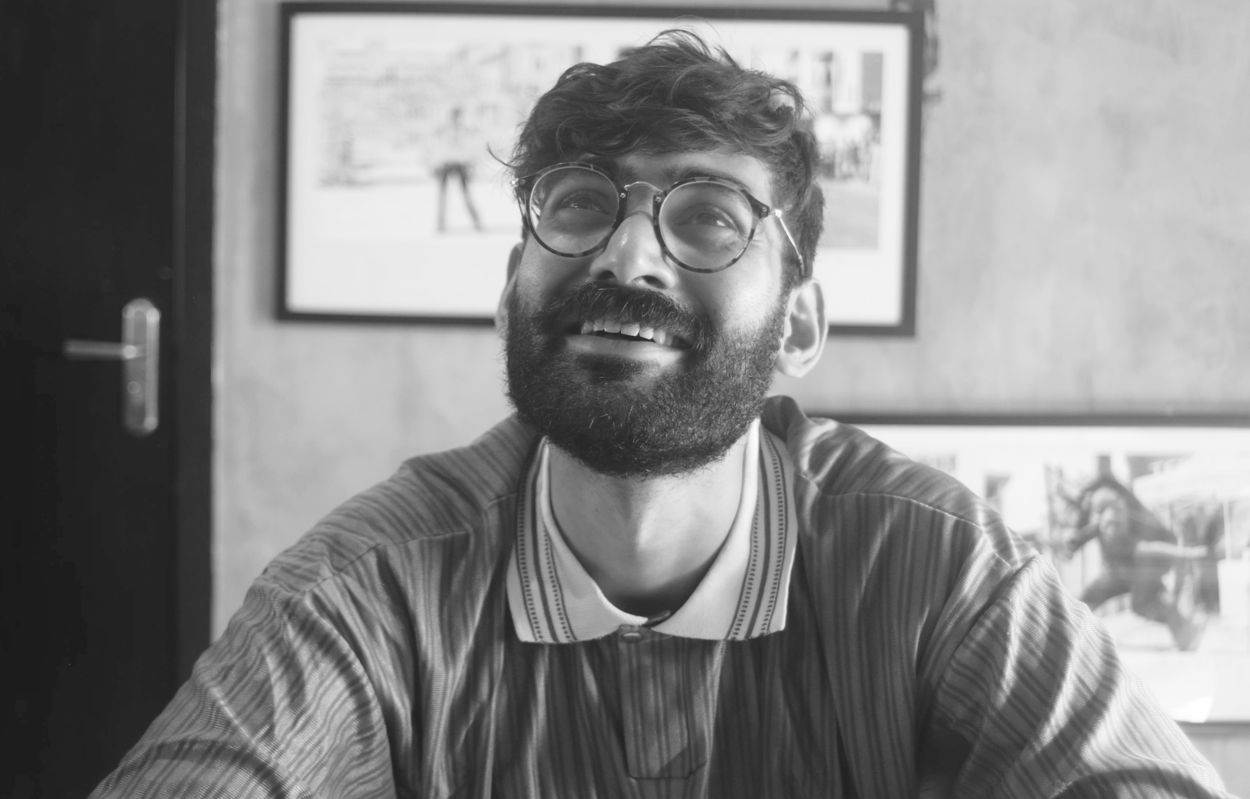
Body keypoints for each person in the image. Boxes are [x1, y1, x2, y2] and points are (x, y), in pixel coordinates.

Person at [92, 31, 1230, 797]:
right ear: (510, 290)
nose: (627, 253)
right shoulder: (366, 589)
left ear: (796, 325)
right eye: (580, 205)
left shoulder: (936, 564)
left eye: (708, 218)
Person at [1064, 475, 1209, 651]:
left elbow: (1148, 548)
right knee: (1090, 600)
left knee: (1141, 604)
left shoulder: (1116, 522)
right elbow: (1094, 529)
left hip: (1135, 570)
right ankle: (1187, 631)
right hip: (1122, 572)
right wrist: (1075, 542)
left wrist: (1185, 553)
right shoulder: (1110, 513)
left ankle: (1187, 631)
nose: (1099, 521)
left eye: (1098, 513)